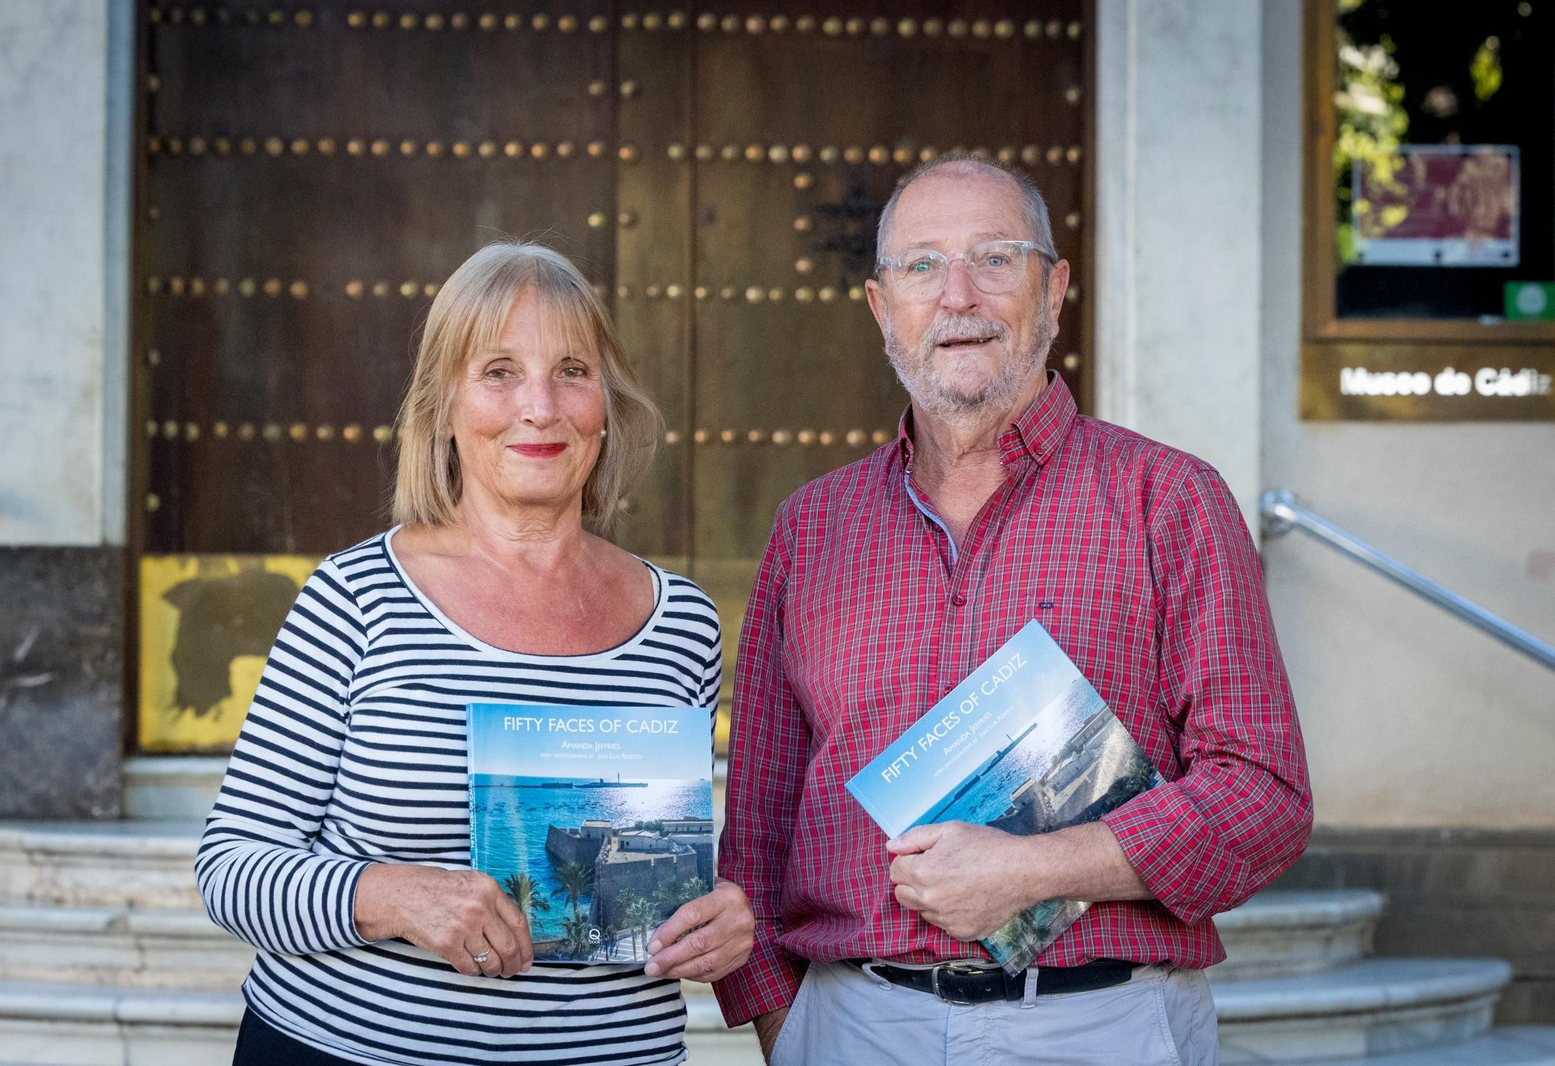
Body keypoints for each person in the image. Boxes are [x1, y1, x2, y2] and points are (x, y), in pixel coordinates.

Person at [713, 153, 1313, 1065]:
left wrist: (1036, 868)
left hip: (1101, 1024)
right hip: (853, 1027)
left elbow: (1263, 794)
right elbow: (755, 825)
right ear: (883, 308)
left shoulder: (1170, 500)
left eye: (996, 258)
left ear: (1055, 287)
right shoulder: (812, 528)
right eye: (922, 266)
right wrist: (782, 1029)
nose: (958, 295)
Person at [197, 241, 754, 1066]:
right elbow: (230, 868)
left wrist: (720, 922)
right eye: (498, 371)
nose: (541, 406)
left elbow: (655, 874)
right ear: (444, 405)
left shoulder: (681, 624)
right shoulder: (357, 598)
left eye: (572, 370)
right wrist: (389, 894)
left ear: (606, 403)